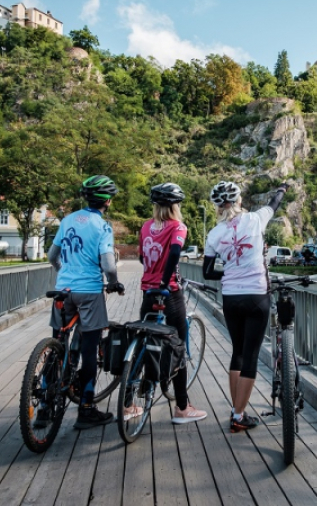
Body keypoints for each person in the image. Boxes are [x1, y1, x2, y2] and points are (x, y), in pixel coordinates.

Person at [203, 180, 288, 433]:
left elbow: (207, 272)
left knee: (237, 352)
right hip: (256, 296)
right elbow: (274, 203)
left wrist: (230, 273)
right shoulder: (255, 219)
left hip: (231, 297)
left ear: (217, 207)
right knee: (251, 355)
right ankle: (238, 416)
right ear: (239, 201)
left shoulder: (214, 234)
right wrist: (282, 189)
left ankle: (236, 409)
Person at [47, 175, 125, 430]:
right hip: (89, 292)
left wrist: (64, 273)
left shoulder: (68, 219)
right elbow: (108, 264)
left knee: (57, 342)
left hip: (62, 290)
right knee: (90, 348)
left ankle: (44, 409)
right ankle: (87, 409)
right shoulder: (101, 226)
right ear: (108, 201)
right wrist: (112, 282)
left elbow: (52, 255)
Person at [139, 182, 207, 424]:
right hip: (169, 292)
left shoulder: (146, 226)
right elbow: (176, 252)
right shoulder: (178, 226)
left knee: (143, 342)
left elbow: (141, 256)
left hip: (147, 290)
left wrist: (154, 277)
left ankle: (128, 404)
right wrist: (166, 282)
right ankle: (182, 407)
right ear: (175, 206)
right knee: (178, 345)